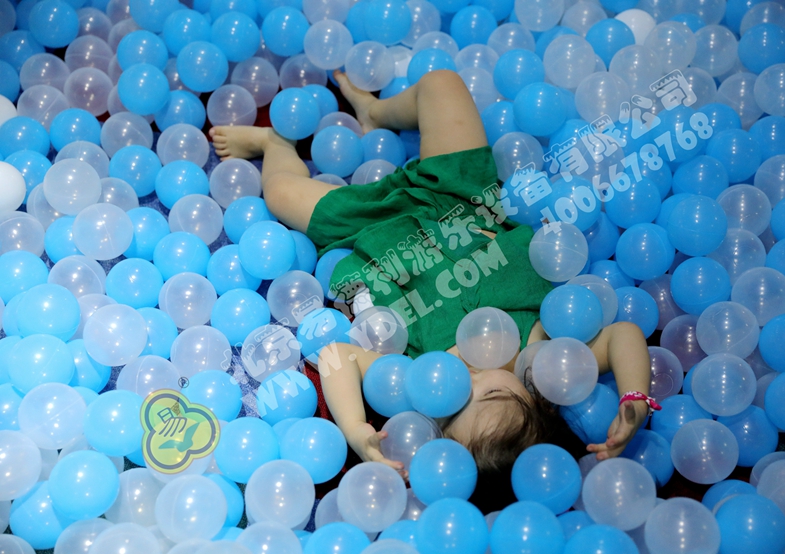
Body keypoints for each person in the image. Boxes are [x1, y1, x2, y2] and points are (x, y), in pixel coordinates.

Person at [209, 69, 653, 512]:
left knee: (279, 194)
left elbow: (336, 357)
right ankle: (376, 111)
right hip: (461, 199)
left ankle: (275, 144)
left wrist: (356, 429)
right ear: (539, 398)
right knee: (442, 84)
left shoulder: (415, 377)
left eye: (453, 406)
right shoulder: (541, 355)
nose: (465, 380)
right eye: (490, 393)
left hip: (372, 232)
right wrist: (635, 396)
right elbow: (622, 335)